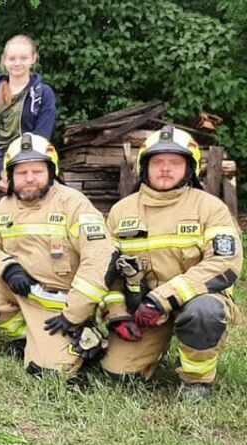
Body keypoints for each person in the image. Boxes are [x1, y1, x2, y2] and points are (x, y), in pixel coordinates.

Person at [100, 126, 242, 402]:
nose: (165, 169)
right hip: (144, 311)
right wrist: (117, 313)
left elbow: (225, 263)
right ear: (144, 166)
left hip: (196, 301)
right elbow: (109, 272)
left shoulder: (210, 208)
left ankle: (196, 381)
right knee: (118, 375)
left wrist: (163, 298)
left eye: (175, 163)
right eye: (158, 162)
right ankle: (153, 348)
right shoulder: (121, 211)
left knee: (204, 311)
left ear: (189, 169)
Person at [0, 133, 112, 376]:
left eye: (37, 171)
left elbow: (100, 259)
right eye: (21, 172)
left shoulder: (73, 204)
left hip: (62, 306)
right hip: (23, 292)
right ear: (9, 176)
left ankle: (78, 332)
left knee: (45, 372)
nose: (29, 179)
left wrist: (74, 314)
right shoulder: (5, 206)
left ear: (51, 172)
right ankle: (29, 335)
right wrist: (9, 268)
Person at [0, 35, 57, 276]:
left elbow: (41, 136)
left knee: (28, 226)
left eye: (23, 58)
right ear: (4, 61)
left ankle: (28, 275)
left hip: (30, 167)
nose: (18, 63)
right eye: (12, 58)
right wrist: (1, 168)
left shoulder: (43, 94)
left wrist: (16, 172)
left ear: (33, 59)